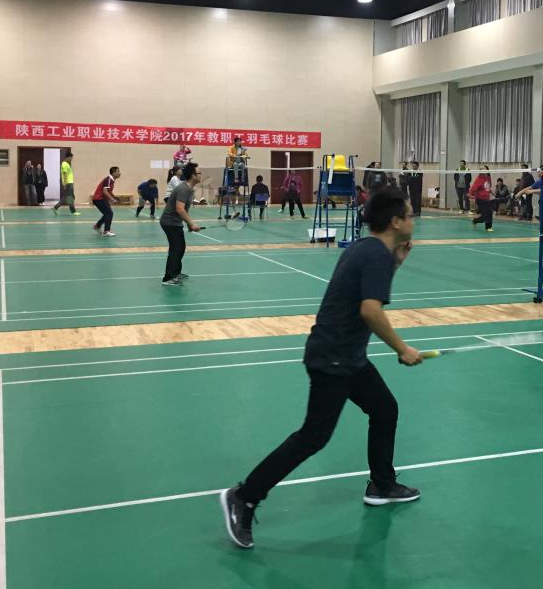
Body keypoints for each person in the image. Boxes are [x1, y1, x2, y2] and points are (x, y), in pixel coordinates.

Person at [221, 186, 423, 550]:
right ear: (395, 221)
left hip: (346, 356)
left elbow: (366, 293)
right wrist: (402, 348)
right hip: (334, 358)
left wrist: (397, 262)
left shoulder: (368, 248)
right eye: (409, 215)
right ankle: (244, 497)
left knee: (384, 408)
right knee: (313, 437)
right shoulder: (375, 255)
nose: (413, 220)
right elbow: (370, 311)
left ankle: (382, 484)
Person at [160, 162, 203, 286]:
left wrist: (189, 224)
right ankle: (168, 278)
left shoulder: (189, 189)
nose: (201, 175)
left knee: (180, 248)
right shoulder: (184, 189)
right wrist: (191, 223)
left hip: (175, 222)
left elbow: (184, 209)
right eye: (199, 173)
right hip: (169, 222)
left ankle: (176, 273)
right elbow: (180, 209)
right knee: (176, 249)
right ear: (193, 175)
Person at [92, 166, 122, 237]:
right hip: (99, 198)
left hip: (102, 199)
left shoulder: (112, 180)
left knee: (107, 213)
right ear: (113, 173)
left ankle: (97, 226)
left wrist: (115, 197)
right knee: (109, 213)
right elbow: (105, 191)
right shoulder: (108, 179)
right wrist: (112, 199)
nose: (119, 173)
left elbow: (109, 191)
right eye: (118, 171)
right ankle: (106, 231)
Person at [468, 165, 494, 232]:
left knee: (490, 212)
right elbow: (474, 188)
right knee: (486, 214)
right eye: (481, 169)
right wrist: (470, 194)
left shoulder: (488, 178)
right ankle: (478, 222)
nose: (483, 169)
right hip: (480, 199)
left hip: (487, 199)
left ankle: (487, 226)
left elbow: (487, 187)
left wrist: (491, 192)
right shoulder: (479, 179)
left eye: (484, 168)